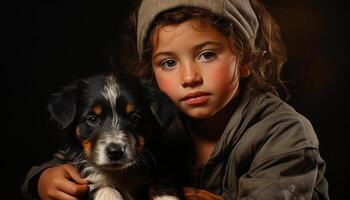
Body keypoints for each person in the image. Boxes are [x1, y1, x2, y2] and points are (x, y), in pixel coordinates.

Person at [21, 0, 329, 199]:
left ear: (245, 58)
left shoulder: (284, 132)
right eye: (169, 62)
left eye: (207, 55)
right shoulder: (156, 119)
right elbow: (80, 158)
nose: (189, 77)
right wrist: (41, 180)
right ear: (151, 72)